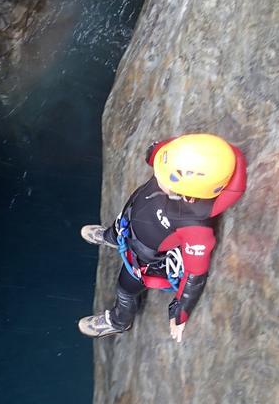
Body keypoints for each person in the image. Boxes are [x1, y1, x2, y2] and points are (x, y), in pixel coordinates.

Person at [78, 133, 246, 342]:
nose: (157, 173)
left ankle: (119, 321)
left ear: (189, 193)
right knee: (121, 226)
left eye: (168, 177)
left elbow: (195, 274)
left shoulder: (195, 228)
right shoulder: (186, 160)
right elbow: (157, 153)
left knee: (126, 288)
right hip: (130, 220)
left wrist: (180, 311)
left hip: (143, 259)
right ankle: (111, 236)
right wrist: (156, 152)